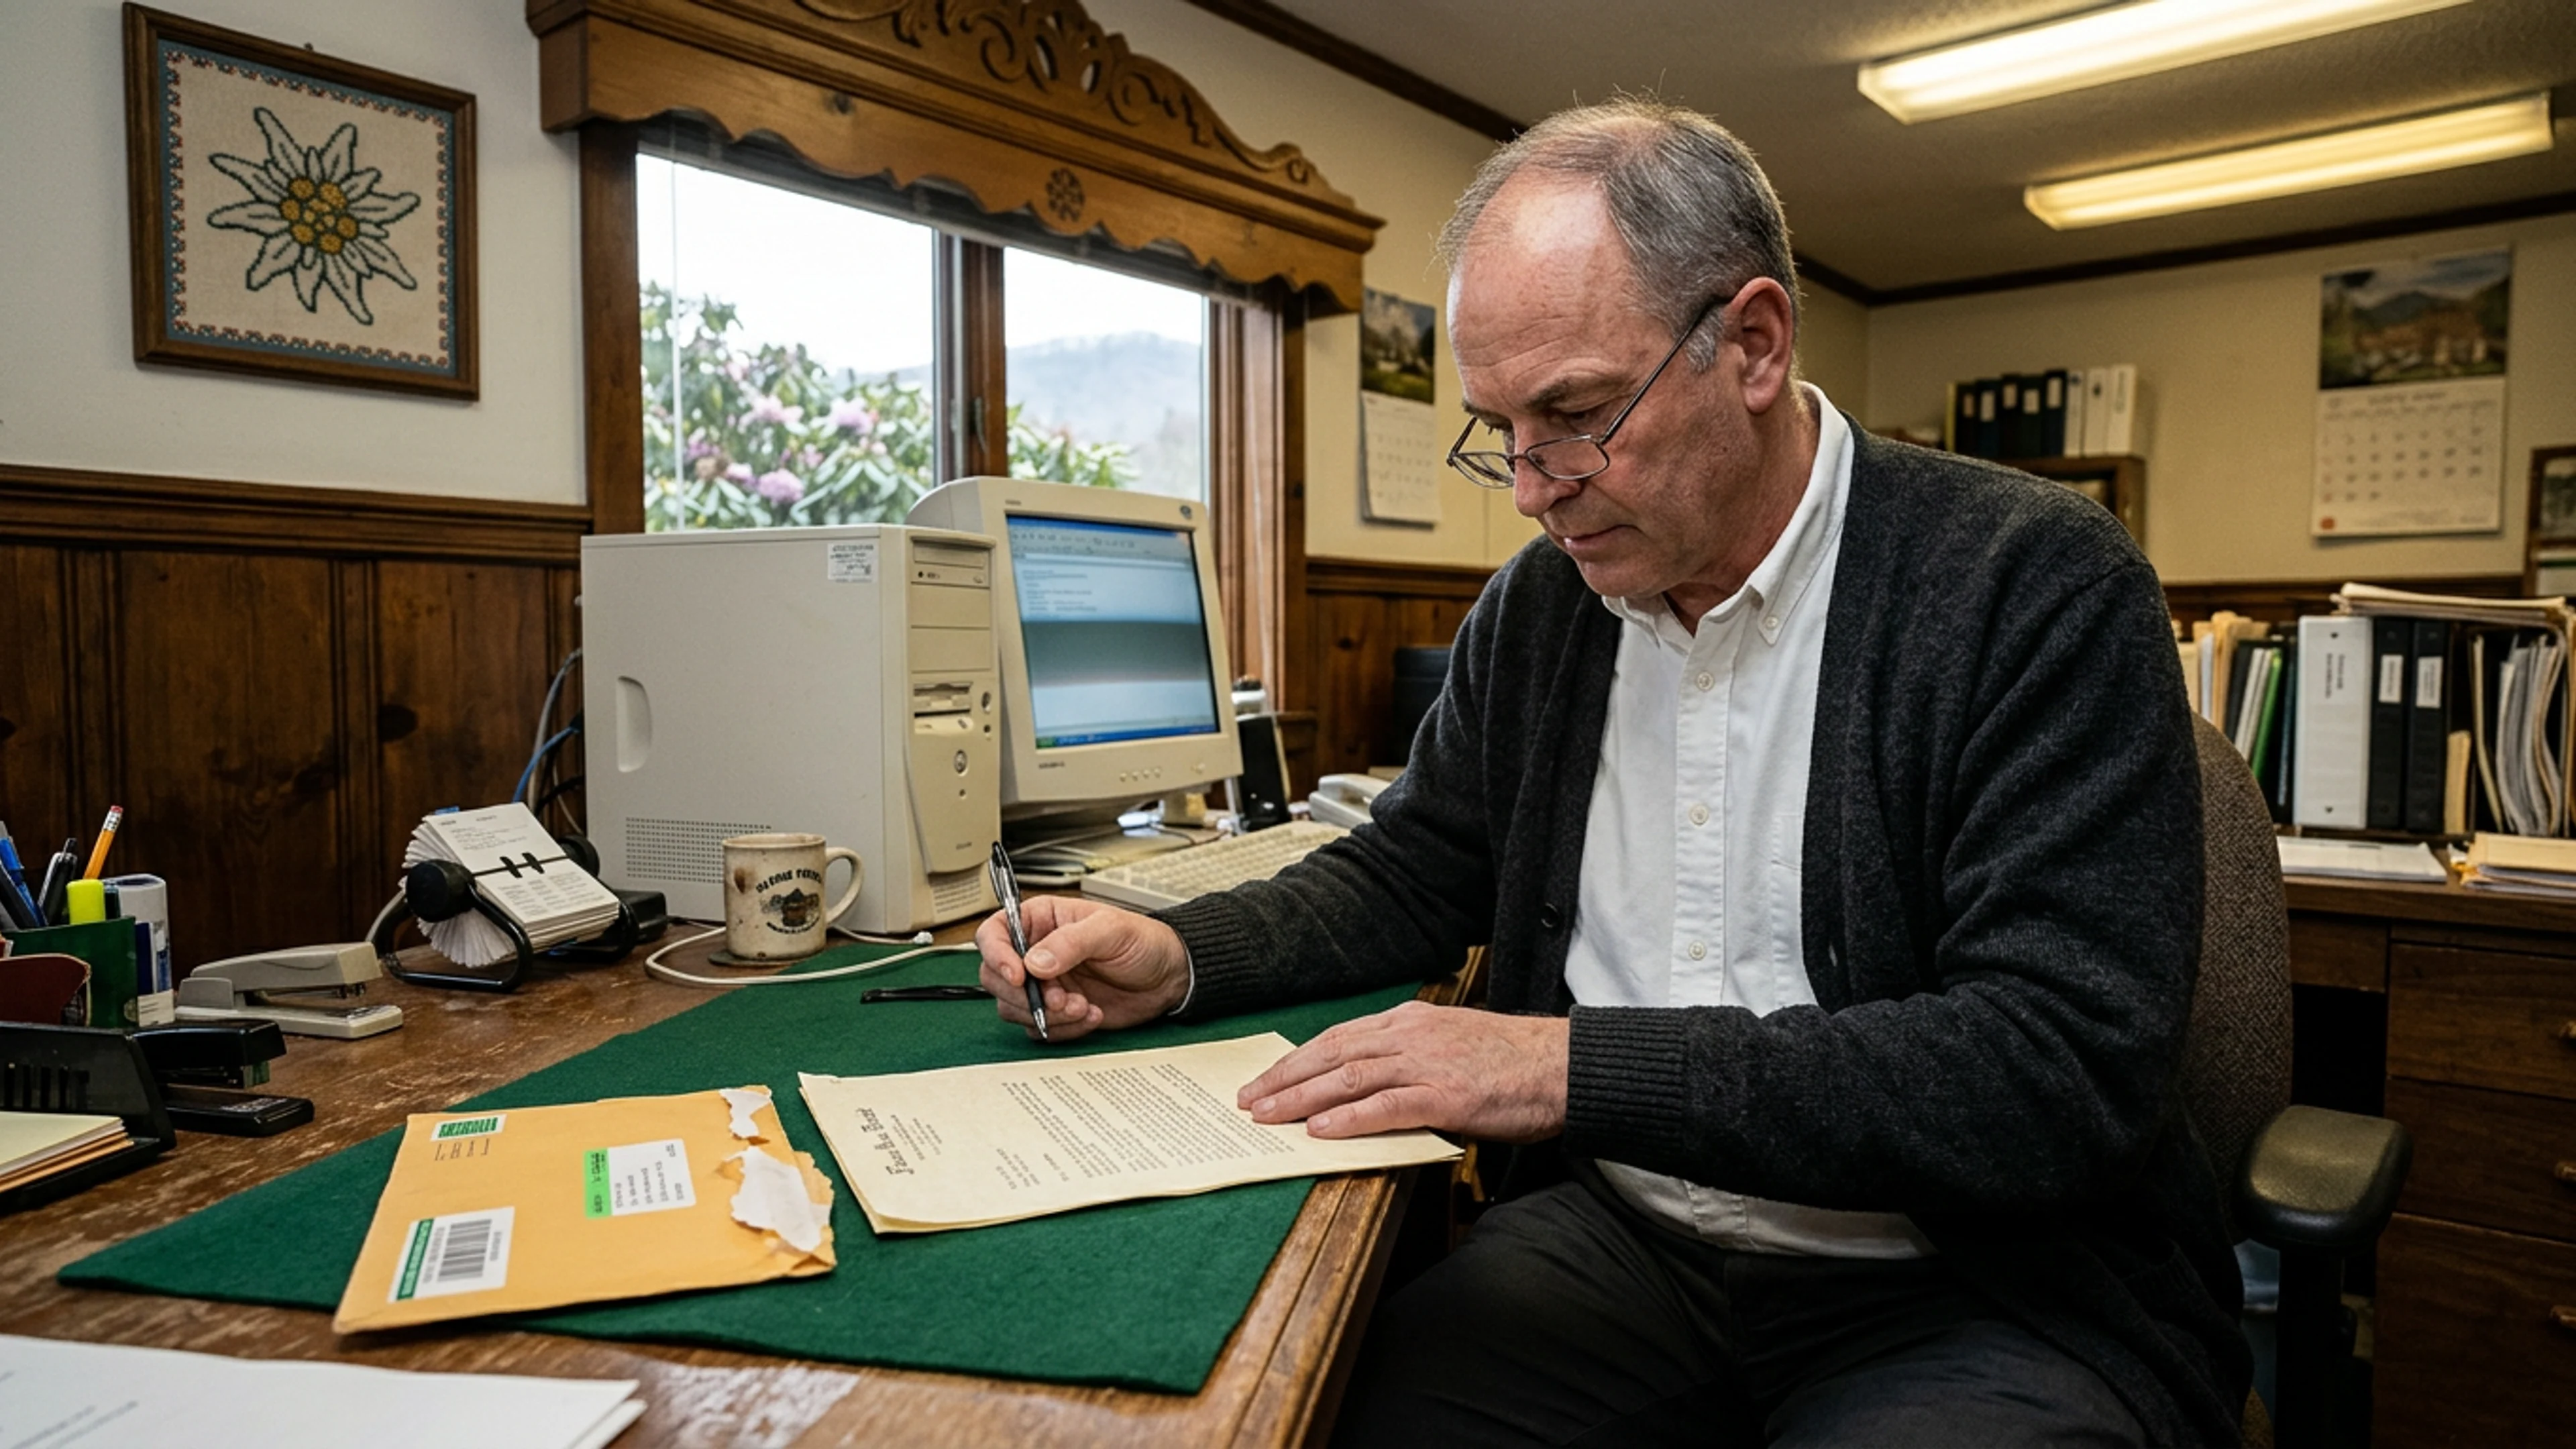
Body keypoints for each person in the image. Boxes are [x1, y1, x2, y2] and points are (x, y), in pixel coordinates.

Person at [977, 99, 2246, 1448]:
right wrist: (1179, 953)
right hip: (1635, 1252)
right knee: (1330, 1411)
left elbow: (2053, 1072)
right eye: (1499, 428)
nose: (1531, 486)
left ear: (1753, 344)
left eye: (1577, 414)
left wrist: (1566, 1071)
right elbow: (1414, 868)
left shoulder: (2031, 583)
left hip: (1981, 1291)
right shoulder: (1543, 612)